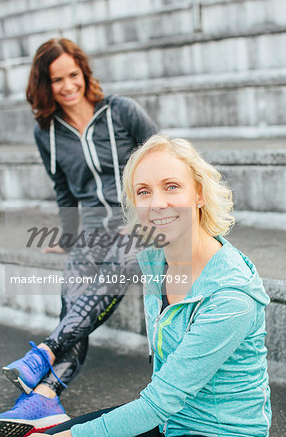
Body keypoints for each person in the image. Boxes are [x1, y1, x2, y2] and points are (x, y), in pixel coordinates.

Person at [31, 134, 272, 436]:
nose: (157, 204)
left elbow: (158, 403)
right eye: (143, 192)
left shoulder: (232, 295)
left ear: (198, 194)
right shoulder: (155, 258)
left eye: (171, 186)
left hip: (217, 430)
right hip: (170, 419)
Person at [0, 38, 158, 436]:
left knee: (120, 264)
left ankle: (44, 364)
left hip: (136, 224)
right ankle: (47, 396)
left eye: (73, 74)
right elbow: (64, 191)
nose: (68, 85)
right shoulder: (47, 133)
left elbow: (163, 158)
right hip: (90, 231)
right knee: (74, 298)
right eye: (57, 79)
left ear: (84, 73)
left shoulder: (120, 111)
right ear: (45, 85)